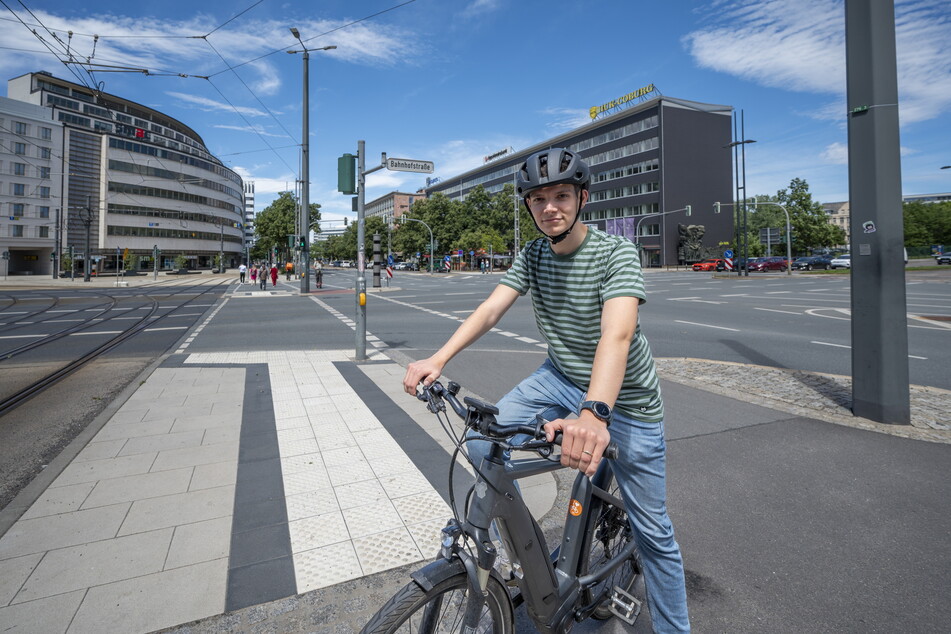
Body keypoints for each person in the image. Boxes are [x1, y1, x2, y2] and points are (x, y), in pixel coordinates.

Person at [402, 148, 690, 632]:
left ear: (582, 197)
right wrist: (437, 359)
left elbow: (615, 336)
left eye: (561, 195)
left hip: (628, 400)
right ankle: (536, 564)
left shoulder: (615, 252)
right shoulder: (534, 254)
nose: (550, 207)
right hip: (558, 376)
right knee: (481, 441)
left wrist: (593, 414)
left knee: (655, 532)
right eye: (538, 199)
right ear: (528, 206)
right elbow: (491, 309)